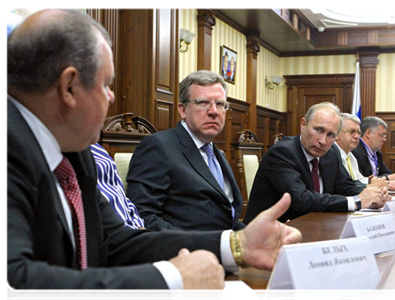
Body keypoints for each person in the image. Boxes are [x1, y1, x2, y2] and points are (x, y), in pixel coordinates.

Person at [5, 9, 302, 300]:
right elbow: (12, 282)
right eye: (107, 85)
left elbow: (114, 241)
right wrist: (172, 280)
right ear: (68, 87)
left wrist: (236, 244)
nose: (111, 97)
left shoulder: (73, 150)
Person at [127, 70, 245, 231]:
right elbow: (142, 216)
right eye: (203, 102)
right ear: (182, 110)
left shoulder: (217, 154)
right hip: (187, 252)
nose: (214, 111)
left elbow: (226, 217)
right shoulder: (158, 147)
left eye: (220, 104)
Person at [244, 102, 390, 224]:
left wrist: (373, 195)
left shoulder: (330, 153)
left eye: (330, 135)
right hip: (268, 235)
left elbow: (345, 187)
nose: (322, 141)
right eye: (318, 130)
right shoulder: (283, 153)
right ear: (303, 124)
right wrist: (357, 201)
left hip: (314, 227)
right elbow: (301, 200)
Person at [334, 113, 395, 192]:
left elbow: (358, 180)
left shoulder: (350, 155)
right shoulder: (333, 154)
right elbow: (345, 187)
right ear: (336, 133)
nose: (357, 136)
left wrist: (374, 182)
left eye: (358, 133)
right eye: (352, 132)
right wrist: (385, 183)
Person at [90, 143, 145, 229]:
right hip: (113, 236)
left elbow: (124, 199)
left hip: (133, 233)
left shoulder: (99, 150)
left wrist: (139, 227)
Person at [352, 116, 395, 184]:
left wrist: (387, 177)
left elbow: (387, 173)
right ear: (368, 133)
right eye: (382, 135)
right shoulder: (355, 152)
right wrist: (387, 179)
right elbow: (360, 181)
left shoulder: (377, 153)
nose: (384, 139)